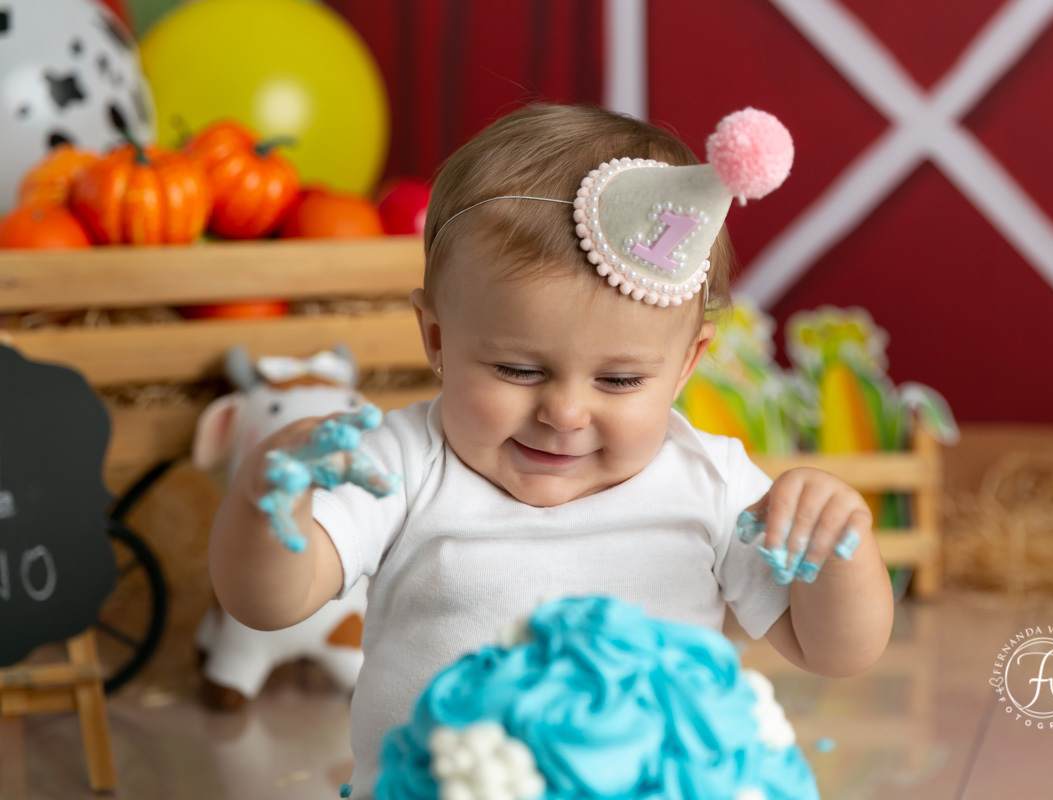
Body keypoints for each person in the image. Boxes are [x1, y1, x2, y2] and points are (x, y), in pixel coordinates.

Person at [209, 104, 894, 797]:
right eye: (518, 370)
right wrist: (269, 505)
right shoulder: (403, 464)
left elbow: (836, 651)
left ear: (686, 365)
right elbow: (268, 604)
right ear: (438, 339)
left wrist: (839, 547)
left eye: (619, 381)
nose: (565, 414)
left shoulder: (710, 483)